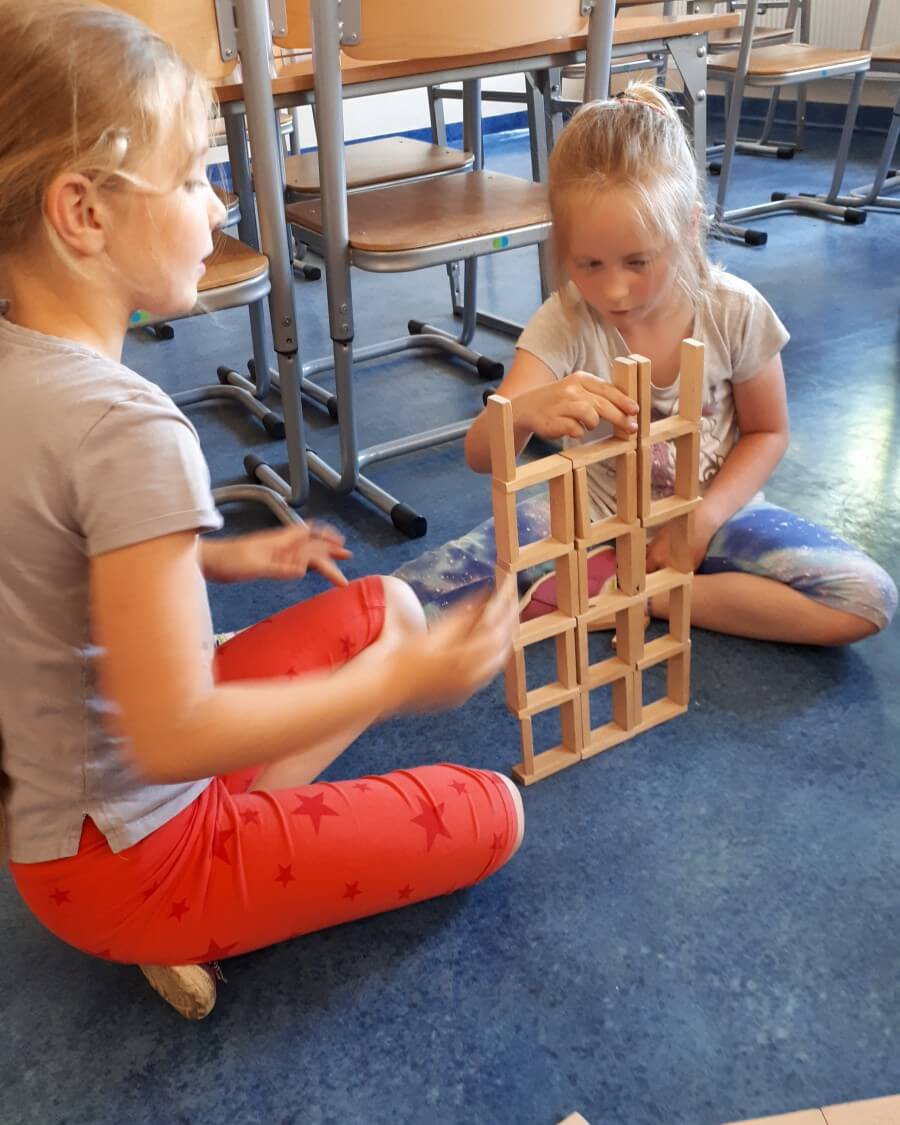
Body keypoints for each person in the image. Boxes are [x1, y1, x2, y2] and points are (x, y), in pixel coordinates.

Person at [0, 0, 523, 1021]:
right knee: (491, 810)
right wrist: (400, 685)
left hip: (60, 833)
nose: (221, 204)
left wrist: (207, 561)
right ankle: (189, 910)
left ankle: (223, 868)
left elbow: (38, 561)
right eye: (193, 176)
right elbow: (174, 735)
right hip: (133, 863)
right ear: (84, 214)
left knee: (388, 608)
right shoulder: (127, 427)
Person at [396, 83, 897, 645]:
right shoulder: (564, 320)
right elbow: (479, 454)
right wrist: (527, 411)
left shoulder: (735, 311)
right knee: (412, 599)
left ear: (688, 227)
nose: (614, 289)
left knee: (865, 597)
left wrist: (701, 521)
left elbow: (768, 432)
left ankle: (639, 595)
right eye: (588, 263)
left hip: (713, 509)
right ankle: (611, 581)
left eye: (638, 262)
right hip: (589, 508)